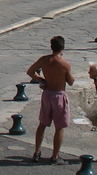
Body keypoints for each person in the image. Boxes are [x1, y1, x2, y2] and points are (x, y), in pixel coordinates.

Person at [26, 35, 74, 164]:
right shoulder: (64, 64)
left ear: (51, 47)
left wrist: (41, 79)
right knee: (59, 127)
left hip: (47, 94)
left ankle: (37, 152)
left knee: (42, 124)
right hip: (59, 94)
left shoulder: (44, 60)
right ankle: (55, 156)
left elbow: (30, 72)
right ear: (63, 47)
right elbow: (70, 82)